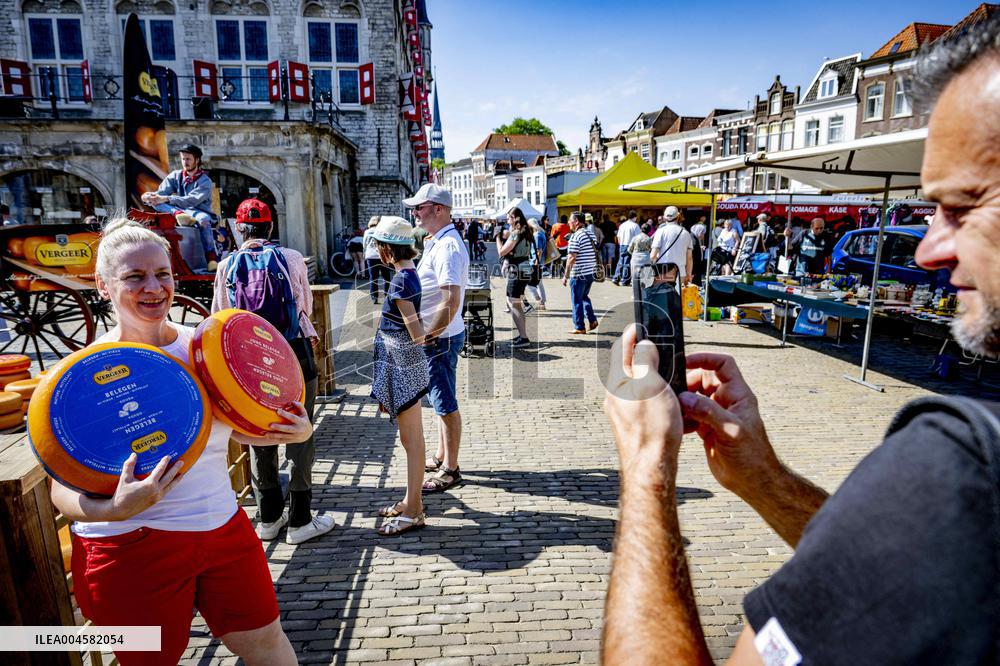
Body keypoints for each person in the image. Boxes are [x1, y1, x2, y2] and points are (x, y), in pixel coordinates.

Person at [602, 17, 1000, 663]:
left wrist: (647, 464)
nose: (928, 248)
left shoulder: (961, 463)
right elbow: (898, 578)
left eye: (960, 205)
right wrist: (765, 480)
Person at [54, 217, 307, 665]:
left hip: (222, 530)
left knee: (267, 644)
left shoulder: (209, 350)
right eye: (134, 276)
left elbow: (240, 428)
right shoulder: (80, 374)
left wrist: (296, 431)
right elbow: (62, 486)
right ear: (103, 285)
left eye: (162, 273)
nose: (153, 287)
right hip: (130, 544)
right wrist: (112, 508)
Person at [213, 198, 335, 545]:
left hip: (249, 360)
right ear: (270, 228)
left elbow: (221, 316)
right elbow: (305, 307)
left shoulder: (226, 266)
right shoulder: (292, 258)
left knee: (258, 431)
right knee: (300, 430)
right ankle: (300, 519)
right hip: (293, 355)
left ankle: (268, 517)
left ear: (240, 229)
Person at [368, 216, 430, 536]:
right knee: (412, 439)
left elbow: (416, 332)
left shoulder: (401, 281)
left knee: (411, 440)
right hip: (405, 363)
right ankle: (411, 501)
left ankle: (414, 510)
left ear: (388, 250)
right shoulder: (408, 274)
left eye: (379, 246)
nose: (377, 252)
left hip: (402, 364)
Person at [404, 184, 468, 494]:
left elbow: (451, 299)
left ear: (438, 210)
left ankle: (451, 469)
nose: (415, 212)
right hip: (439, 336)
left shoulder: (448, 247)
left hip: (439, 339)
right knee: (440, 398)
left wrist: (429, 335)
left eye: (420, 208)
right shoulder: (439, 242)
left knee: (444, 402)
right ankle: (443, 455)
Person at [140, 144, 219, 271]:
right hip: (180, 210)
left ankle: (211, 258)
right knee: (157, 203)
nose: (185, 162)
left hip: (198, 211)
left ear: (197, 160)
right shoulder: (175, 175)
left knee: (204, 219)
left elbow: (191, 200)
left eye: (188, 159)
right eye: (183, 159)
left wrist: (167, 198)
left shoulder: (205, 181)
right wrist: (149, 197)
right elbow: (161, 195)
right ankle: (177, 214)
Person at [497, 208, 535, 348]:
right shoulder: (527, 230)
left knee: (514, 304)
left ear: (515, 218)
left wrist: (497, 238)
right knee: (515, 302)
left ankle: (524, 338)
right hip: (525, 268)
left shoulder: (516, 233)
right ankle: (522, 334)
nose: (507, 221)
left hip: (517, 270)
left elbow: (502, 252)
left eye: (508, 218)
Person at [562, 211, 599, 335]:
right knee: (584, 297)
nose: (568, 223)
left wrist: (565, 275)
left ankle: (579, 326)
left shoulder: (576, 236)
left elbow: (571, 258)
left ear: (576, 221)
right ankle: (592, 320)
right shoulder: (590, 234)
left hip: (578, 273)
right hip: (590, 271)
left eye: (570, 220)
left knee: (576, 299)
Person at [650, 205, 693, 286]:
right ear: (678, 217)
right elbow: (689, 258)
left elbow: (653, 255)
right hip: (680, 272)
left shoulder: (660, 231)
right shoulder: (686, 233)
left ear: (665, 218)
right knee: (676, 297)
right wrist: (688, 275)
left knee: (662, 296)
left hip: (664, 271)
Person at [364, 216, 391, 304]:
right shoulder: (382, 230)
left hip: (371, 256)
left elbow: (364, 244)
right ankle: (387, 295)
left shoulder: (367, 232)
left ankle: (374, 297)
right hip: (382, 255)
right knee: (386, 277)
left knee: (373, 278)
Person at [613, 210, 641, 286]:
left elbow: (618, 237)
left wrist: (620, 244)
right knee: (627, 263)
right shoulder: (635, 226)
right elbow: (638, 238)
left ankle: (616, 278)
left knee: (620, 262)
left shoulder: (622, 225)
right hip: (630, 245)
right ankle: (625, 280)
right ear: (635, 217)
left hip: (622, 244)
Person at [525, 217, 548, 310]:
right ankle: (542, 302)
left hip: (535, 261)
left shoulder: (537, 235)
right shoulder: (541, 233)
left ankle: (538, 299)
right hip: (539, 261)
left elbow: (539, 250)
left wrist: (536, 262)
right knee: (539, 283)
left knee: (528, 282)